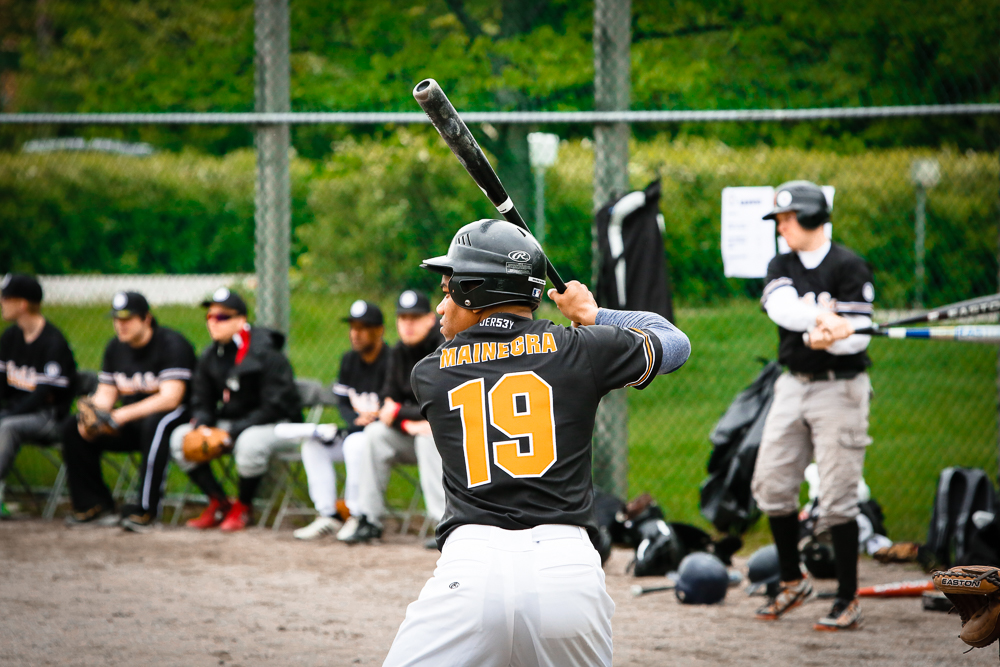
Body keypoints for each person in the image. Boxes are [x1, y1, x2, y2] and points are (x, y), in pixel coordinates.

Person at [382, 219, 690, 666]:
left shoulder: (430, 372)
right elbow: (674, 343)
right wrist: (595, 316)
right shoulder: (579, 349)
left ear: (475, 292)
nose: (441, 305)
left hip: (469, 572)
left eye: (450, 290)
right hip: (567, 570)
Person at [751, 180, 874, 631]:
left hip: (840, 389)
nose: (781, 227)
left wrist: (838, 339)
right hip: (793, 384)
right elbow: (781, 307)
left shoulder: (849, 265)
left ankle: (847, 597)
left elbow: (859, 335)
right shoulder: (781, 263)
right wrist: (822, 321)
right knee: (771, 483)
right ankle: (791, 581)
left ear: (809, 217)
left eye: (786, 219)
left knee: (839, 496)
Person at [169, 288, 303, 532]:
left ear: (241, 321)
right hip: (234, 424)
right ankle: (219, 502)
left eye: (222, 317)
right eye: (210, 317)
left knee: (249, 442)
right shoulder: (210, 356)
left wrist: (235, 432)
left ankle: (244, 506)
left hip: (277, 424)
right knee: (181, 439)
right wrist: (201, 423)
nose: (213, 323)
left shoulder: (267, 354)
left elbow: (275, 405)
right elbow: (202, 400)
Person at [62, 291, 195, 531]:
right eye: (116, 319)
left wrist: (120, 415)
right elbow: (106, 395)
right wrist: (93, 416)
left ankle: (146, 510)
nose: (120, 326)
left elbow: (171, 398)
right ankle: (94, 505)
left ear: (146, 318)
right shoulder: (115, 348)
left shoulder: (171, 344)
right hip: (132, 422)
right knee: (73, 428)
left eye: (127, 319)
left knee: (156, 423)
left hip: (173, 418)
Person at [337, 290, 445, 544]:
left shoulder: (444, 346)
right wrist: (407, 419)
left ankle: (443, 525)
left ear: (430, 319)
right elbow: (387, 400)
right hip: (411, 431)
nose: (407, 323)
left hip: (446, 437)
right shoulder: (398, 352)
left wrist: (400, 412)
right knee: (375, 434)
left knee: (428, 436)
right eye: (403, 317)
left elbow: (439, 404)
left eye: (415, 318)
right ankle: (369, 519)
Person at [294, 299, 390, 540]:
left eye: (363, 328)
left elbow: (394, 402)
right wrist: (353, 422)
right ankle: (328, 514)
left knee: (355, 443)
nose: (355, 334)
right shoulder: (349, 360)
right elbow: (343, 403)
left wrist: (370, 420)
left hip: (380, 437)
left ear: (379, 330)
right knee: (313, 444)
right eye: (352, 327)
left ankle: (356, 515)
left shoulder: (392, 360)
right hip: (355, 430)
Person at [0, 274, 77, 490]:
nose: (1, 303)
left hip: (49, 417)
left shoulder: (53, 342)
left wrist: (8, 414)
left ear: (22, 304)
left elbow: (42, 396)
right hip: (17, 411)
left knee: (7, 427)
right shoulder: (10, 337)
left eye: (6, 298)